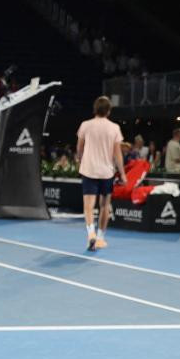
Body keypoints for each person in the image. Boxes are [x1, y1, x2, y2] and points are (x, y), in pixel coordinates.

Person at [76, 95, 127, 251]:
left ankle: (90, 234)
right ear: (109, 111)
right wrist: (123, 174)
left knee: (88, 207)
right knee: (105, 206)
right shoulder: (114, 128)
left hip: (89, 170)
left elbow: (79, 148)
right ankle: (100, 238)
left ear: (95, 109)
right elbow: (117, 154)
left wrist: (80, 159)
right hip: (106, 173)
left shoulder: (85, 125)